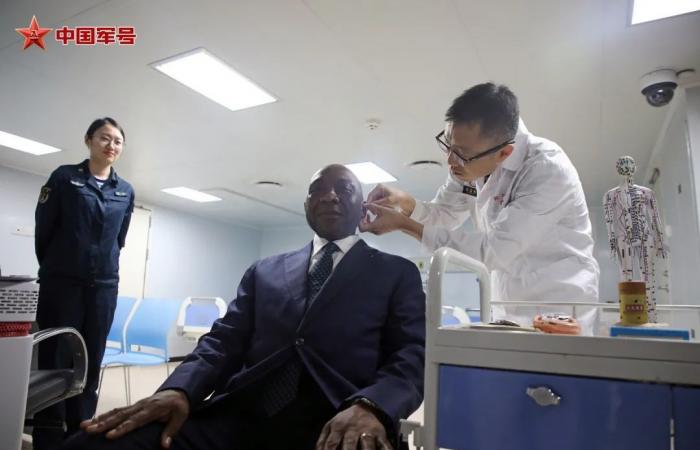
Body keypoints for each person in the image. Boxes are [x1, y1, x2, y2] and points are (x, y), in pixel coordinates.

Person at [62, 164, 425, 450]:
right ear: (305, 205)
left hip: (341, 422)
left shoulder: (396, 273)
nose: (329, 195)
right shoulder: (264, 270)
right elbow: (223, 343)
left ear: (362, 207)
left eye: (343, 189)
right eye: (318, 189)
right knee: (93, 442)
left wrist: (372, 406)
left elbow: (411, 357)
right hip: (243, 414)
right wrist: (179, 390)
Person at [361, 83, 599, 321]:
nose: (451, 161)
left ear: (504, 153)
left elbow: (492, 251)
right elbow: (445, 214)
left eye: (461, 154)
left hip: (559, 305)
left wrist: (404, 225)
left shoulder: (546, 170)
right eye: (448, 144)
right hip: (506, 304)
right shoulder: (469, 162)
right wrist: (405, 203)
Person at [33, 117, 135, 449]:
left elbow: (118, 240)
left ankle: (80, 435)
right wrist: (60, 267)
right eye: (105, 138)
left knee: (90, 361)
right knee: (56, 360)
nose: (111, 145)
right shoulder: (64, 178)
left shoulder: (126, 191)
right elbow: (44, 231)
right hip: (61, 285)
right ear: (89, 140)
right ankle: (48, 437)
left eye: (118, 141)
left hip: (103, 288)